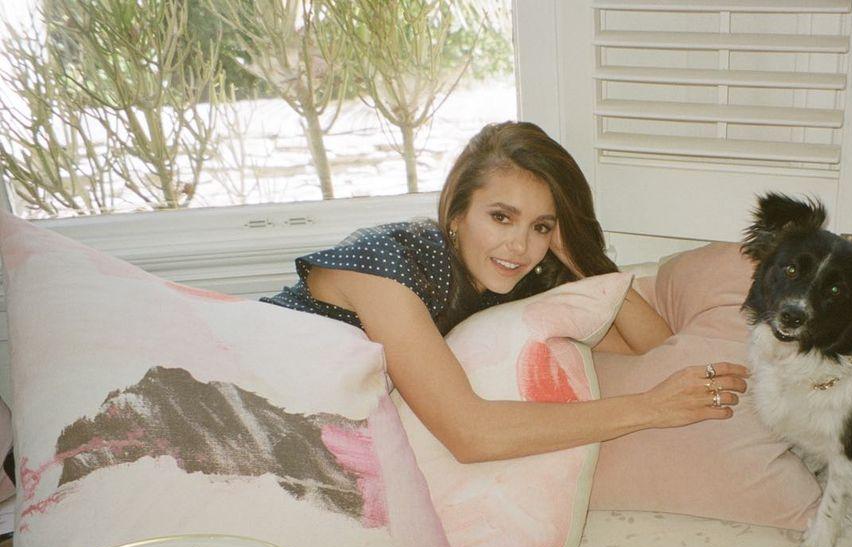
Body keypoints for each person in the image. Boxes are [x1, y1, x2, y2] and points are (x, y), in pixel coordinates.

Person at [263, 121, 748, 462]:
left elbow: (655, 351)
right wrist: (650, 408)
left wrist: (584, 258)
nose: (520, 245)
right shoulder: (390, 261)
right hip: (240, 374)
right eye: (501, 217)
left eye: (541, 226)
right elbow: (471, 435)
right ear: (456, 214)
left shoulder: (510, 285)